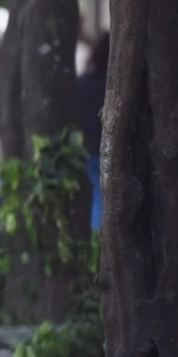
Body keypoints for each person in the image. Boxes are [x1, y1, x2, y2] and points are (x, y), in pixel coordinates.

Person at [76, 33, 109, 231]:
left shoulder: (82, 83)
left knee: (96, 197)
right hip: (113, 150)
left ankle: (99, 236)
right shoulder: (116, 87)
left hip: (88, 149)